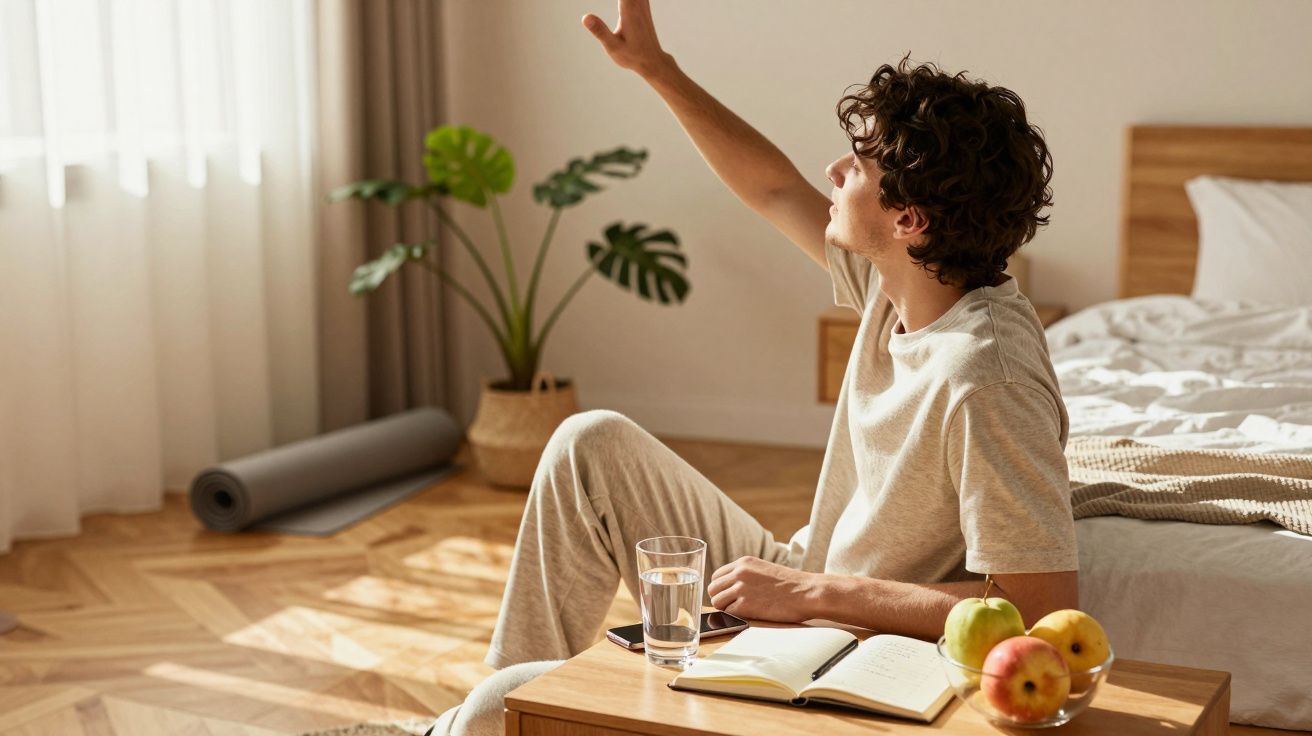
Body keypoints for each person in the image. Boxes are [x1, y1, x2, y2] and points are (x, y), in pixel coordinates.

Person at [427, 1, 1076, 733]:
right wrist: (657, 71)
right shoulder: (904, 281)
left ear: (910, 219)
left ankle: (485, 720)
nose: (833, 171)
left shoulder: (985, 375)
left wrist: (812, 594)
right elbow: (770, 186)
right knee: (590, 445)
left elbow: (1036, 605)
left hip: (859, 647)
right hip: (804, 588)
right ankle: (520, 711)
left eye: (856, 164)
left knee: (480, 714)